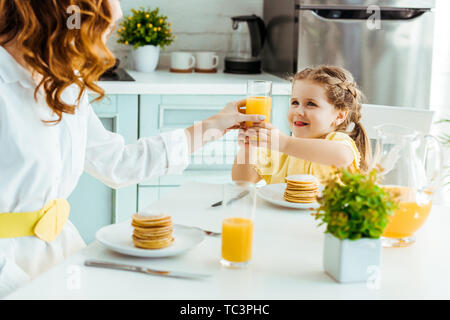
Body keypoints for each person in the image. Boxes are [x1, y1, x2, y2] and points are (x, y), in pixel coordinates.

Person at [0, 0, 264, 297]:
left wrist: (211, 127)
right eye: (102, 30)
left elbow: (116, 163)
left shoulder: (63, 82)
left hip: (61, 258)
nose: (104, 48)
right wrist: (23, 290)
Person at [232, 65, 371, 184]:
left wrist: (285, 143)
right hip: (282, 215)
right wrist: (248, 147)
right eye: (294, 103)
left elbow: (342, 156)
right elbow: (242, 180)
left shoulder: (337, 142)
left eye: (311, 104)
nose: (298, 111)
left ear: (339, 116)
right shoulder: (279, 149)